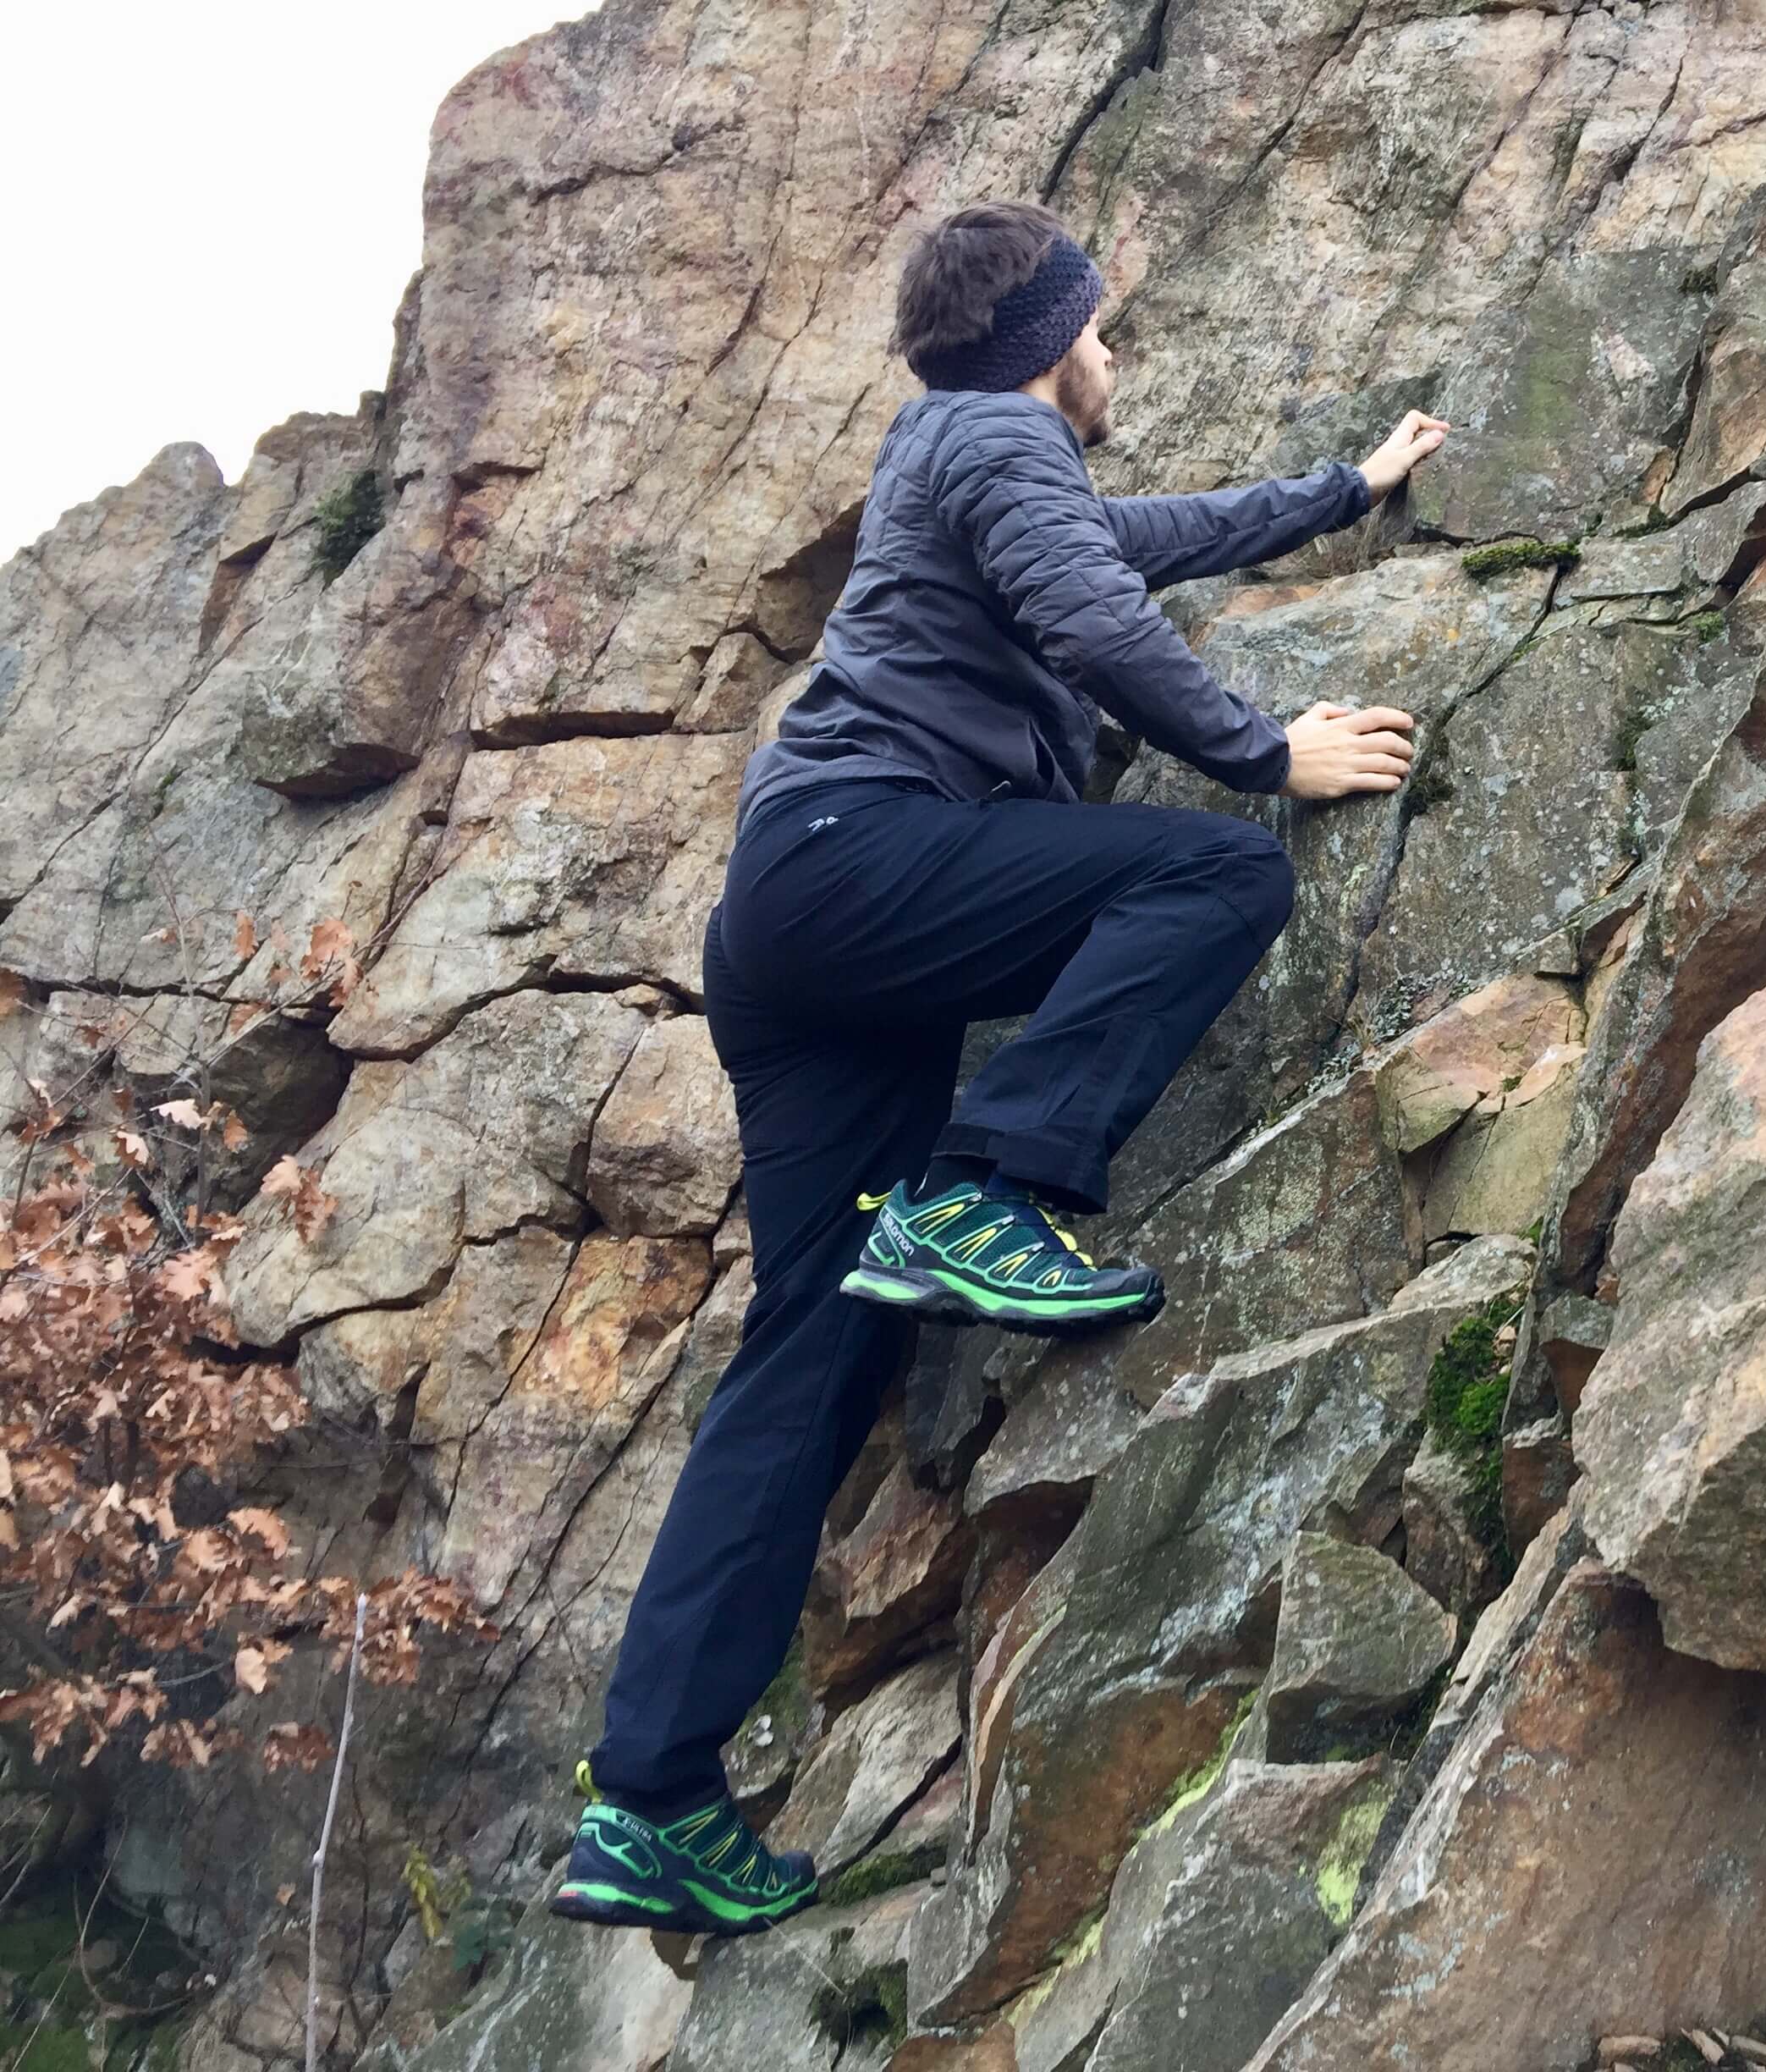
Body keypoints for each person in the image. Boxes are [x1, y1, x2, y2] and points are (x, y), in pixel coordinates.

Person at [547, 200, 1444, 1937]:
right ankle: (986, 1188)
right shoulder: (1000, 433)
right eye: (1099, 328)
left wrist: (1341, 487)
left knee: (814, 1342)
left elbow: (1133, 548)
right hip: (863, 859)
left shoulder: (962, 459)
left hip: (796, 925)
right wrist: (1266, 751)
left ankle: (651, 1796)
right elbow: (1102, 617)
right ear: (1055, 334)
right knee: (1220, 866)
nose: (1111, 354)